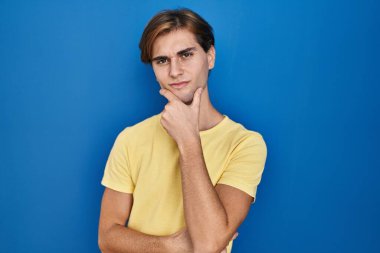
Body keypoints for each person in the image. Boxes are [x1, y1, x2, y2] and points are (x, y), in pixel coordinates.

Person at [98, 8, 267, 253]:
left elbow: (207, 245)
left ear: (210, 57)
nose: (174, 71)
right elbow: (107, 238)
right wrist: (172, 246)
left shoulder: (245, 144)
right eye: (162, 60)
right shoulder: (130, 138)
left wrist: (188, 140)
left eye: (186, 54)